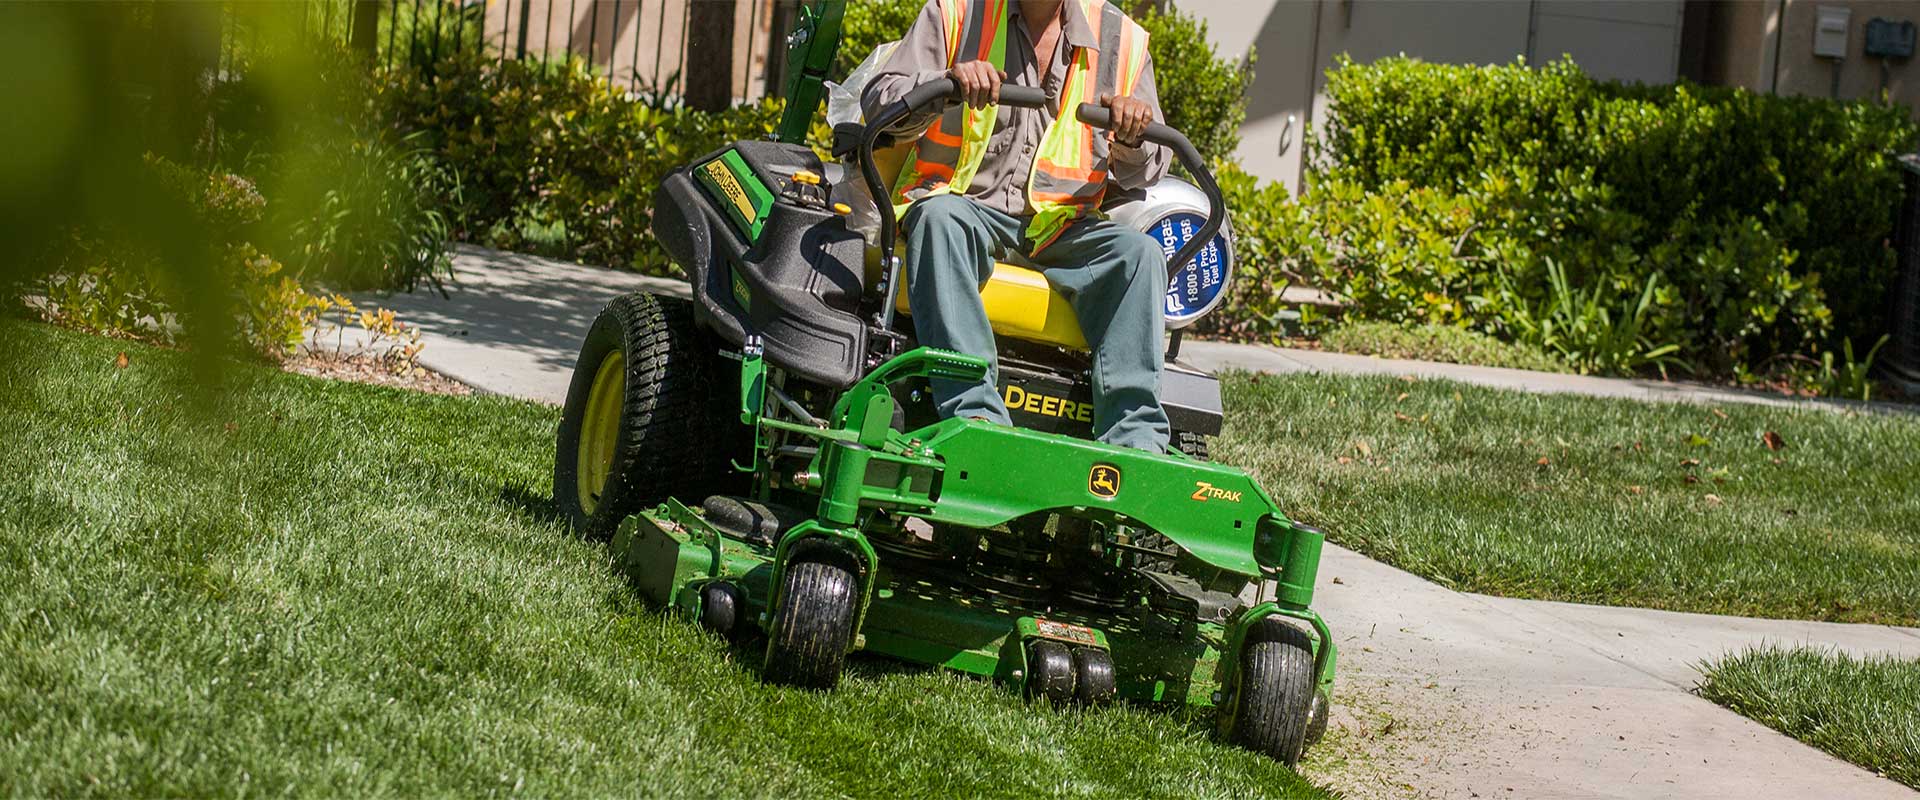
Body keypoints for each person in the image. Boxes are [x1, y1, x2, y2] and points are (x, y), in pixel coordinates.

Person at [861, 0, 1171, 453]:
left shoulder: (1121, 40)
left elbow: (1151, 167)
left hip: (1062, 223)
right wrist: (944, 84)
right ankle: (977, 416)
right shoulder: (956, 13)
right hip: (967, 206)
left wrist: (1133, 135)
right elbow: (880, 99)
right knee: (938, 220)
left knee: (1139, 256)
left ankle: (1136, 441)